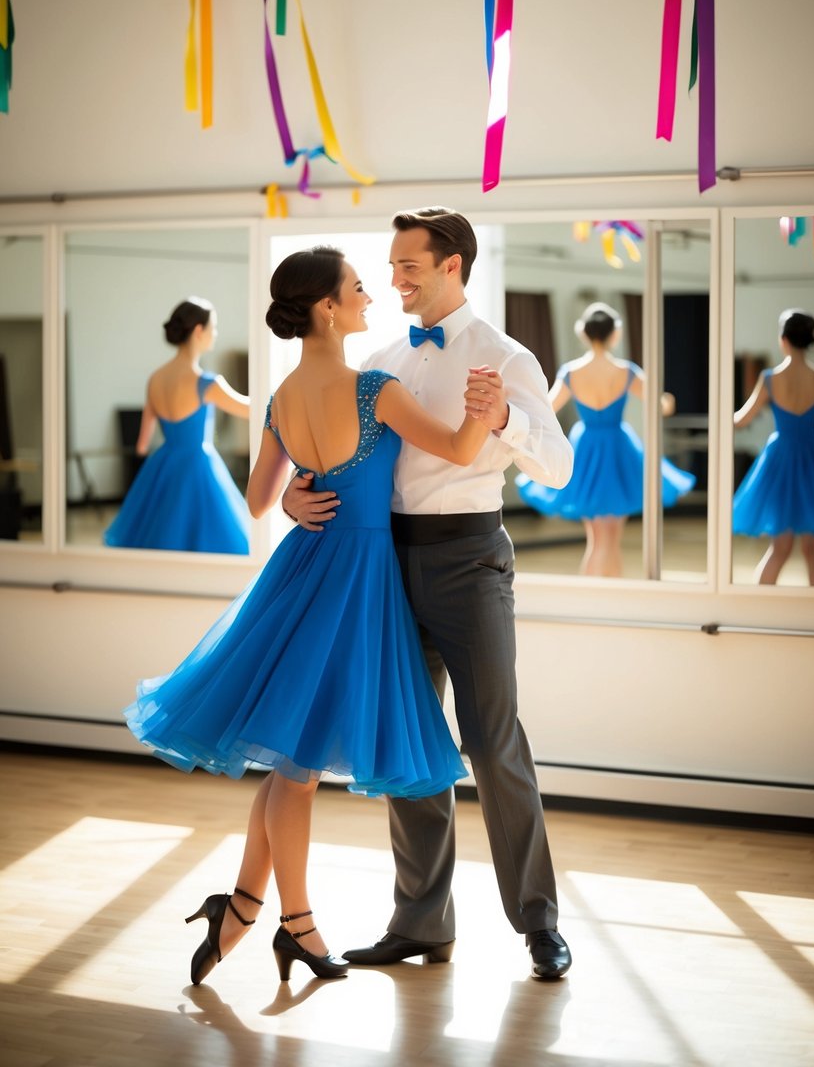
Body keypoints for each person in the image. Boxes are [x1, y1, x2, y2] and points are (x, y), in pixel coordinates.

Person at [125, 246, 497, 986]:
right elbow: (458, 448)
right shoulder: (375, 389)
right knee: (293, 771)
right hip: (353, 581)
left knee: (290, 763)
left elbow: (262, 502)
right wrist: (490, 413)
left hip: (303, 572)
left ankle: (241, 907)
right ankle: (296, 925)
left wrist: (297, 495)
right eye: (358, 289)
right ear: (326, 307)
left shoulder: (281, 397)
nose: (370, 298)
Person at [283, 208, 575, 982]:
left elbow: (559, 468)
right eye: (390, 266)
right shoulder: (377, 356)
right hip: (383, 562)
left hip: (471, 558)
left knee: (490, 740)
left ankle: (537, 921)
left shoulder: (506, 356)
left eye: (408, 265)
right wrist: (293, 496)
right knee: (405, 740)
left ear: (452, 265)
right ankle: (421, 923)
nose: (394, 279)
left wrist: (504, 417)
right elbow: (330, 452)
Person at [516, 302, 695, 577]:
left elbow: (547, 408)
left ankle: (593, 596)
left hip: (586, 447)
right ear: (615, 334)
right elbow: (661, 406)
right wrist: (668, 399)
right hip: (618, 448)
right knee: (611, 539)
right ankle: (610, 595)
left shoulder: (571, 372)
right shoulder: (627, 371)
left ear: (584, 334)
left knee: (597, 538)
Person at [104, 297, 251, 555]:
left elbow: (141, 445)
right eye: (213, 327)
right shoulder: (207, 383)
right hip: (198, 466)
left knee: (161, 538)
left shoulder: (155, 379)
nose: (215, 334)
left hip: (163, 465)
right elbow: (251, 410)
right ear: (198, 331)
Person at [733, 309, 814, 586]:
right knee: (813, 552)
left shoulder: (771, 378)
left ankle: (756, 607)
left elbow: (742, 419)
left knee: (780, 548)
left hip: (782, 458)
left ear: (783, 339)